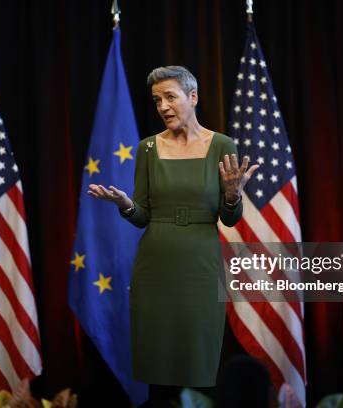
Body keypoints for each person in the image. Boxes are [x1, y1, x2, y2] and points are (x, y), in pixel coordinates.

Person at [88, 66, 258, 406]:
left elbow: (229, 219)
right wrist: (125, 204)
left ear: (192, 98)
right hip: (155, 268)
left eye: (170, 97)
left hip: (200, 267)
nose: (163, 106)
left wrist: (232, 195)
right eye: (156, 100)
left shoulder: (222, 144)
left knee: (200, 364)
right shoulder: (148, 149)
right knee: (159, 371)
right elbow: (142, 217)